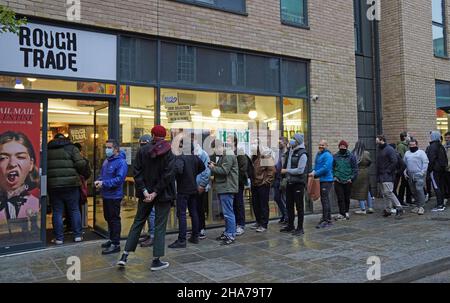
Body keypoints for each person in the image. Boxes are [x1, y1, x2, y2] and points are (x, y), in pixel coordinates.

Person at [118, 125, 176, 271]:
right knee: (159, 226)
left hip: (145, 194)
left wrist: (145, 191)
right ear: (165, 135)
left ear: (151, 135)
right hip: (162, 194)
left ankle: (124, 256)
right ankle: (156, 260)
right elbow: (168, 175)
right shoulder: (169, 152)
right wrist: (155, 192)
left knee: (138, 221)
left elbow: (137, 172)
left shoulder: (142, 151)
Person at [47, 133, 88, 244]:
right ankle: (77, 236)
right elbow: (81, 164)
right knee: (74, 209)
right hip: (71, 184)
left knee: (57, 211)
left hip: (54, 185)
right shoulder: (72, 148)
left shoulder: (48, 149)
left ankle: (59, 238)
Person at [168, 139, 205, 248]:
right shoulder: (195, 158)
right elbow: (202, 167)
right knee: (194, 212)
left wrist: (179, 176)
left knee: (182, 214)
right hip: (193, 188)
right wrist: (192, 174)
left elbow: (178, 170)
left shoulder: (180, 157)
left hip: (183, 189)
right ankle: (195, 236)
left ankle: (181, 240)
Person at [0, 132, 40, 231]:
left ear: (31, 164)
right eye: (3, 158)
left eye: (20, 157)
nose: (12, 163)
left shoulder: (37, 203)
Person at [95, 139, 128, 255]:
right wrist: (99, 181)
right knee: (108, 218)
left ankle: (116, 244)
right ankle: (111, 238)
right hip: (106, 195)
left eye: (109, 147)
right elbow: (102, 175)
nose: (107, 150)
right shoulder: (107, 161)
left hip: (114, 196)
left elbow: (119, 180)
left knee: (114, 219)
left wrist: (104, 183)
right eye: (106, 147)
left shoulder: (121, 163)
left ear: (116, 149)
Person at [209, 139, 239, 245]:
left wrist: (213, 168)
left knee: (228, 213)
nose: (215, 153)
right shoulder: (224, 155)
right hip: (224, 187)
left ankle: (231, 235)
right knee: (226, 213)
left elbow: (224, 171)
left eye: (215, 150)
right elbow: (223, 168)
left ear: (219, 147)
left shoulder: (228, 154)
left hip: (227, 187)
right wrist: (215, 166)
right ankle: (227, 232)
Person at [280, 133, 307, 235]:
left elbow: (300, 170)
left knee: (299, 206)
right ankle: (290, 226)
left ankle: (300, 228)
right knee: (289, 205)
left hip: (298, 183)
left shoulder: (302, 154)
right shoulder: (291, 151)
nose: (291, 140)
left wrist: (286, 170)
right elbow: (285, 160)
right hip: (289, 182)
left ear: (298, 141)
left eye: (293, 139)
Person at [376, 135, 404, 217]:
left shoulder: (389, 149)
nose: (376, 141)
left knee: (389, 192)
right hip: (381, 175)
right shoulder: (380, 149)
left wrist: (388, 171)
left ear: (381, 140)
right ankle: (388, 210)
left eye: (377, 140)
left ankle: (399, 207)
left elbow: (394, 161)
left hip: (387, 175)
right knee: (385, 193)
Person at [250, 144, 275, 233]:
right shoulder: (253, 157)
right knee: (256, 204)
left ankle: (264, 224)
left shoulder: (265, 156)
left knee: (263, 205)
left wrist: (266, 182)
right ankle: (258, 221)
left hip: (262, 184)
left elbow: (271, 170)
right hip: (255, 184)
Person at [309, 140, 334, 229]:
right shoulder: (319, 154)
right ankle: (327, 218)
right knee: (324, 200)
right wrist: (313, 171)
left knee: (325, 200)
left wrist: (315, 173)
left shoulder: (328, 155)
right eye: (319, 145)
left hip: (327, 180)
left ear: (326, 145)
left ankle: (327, 220)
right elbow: (317, 166)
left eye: (323, 145)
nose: (321, 146)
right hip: (321, 180)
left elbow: (326, 168)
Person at [137, 134, 156, 248]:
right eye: (142, 144)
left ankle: (153, 235)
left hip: (151, 190)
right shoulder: (142, 155)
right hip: (145, 189)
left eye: (145, 144)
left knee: (152, 213)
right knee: (147, 214)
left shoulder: (153, 156)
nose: (143, 147)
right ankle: (150, 234)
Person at [333, 140, 358, 221]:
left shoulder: (351, 156)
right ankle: (341, 213)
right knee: (340, 198)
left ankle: (346, 212)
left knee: (347, 197)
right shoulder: (335, 156)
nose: (342, 148)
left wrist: (351, 178)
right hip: (338, 180)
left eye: (344, 147)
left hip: (348, 180)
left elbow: (355, 169)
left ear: (346, 148)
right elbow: (332, 168)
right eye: (341, 147)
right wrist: (334, 176)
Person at [404, 138, 429, 216]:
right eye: (410, 145)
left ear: (416, 144)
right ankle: (417, 205)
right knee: (413, 190)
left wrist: (422, 172)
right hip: (410, 174)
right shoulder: (407, 153)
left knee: (419, 189)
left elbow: (425, 162)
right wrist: (405, 171)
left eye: (413, 144)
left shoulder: (421, 153)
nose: (412, 146)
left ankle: (421, 207)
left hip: (419, 174)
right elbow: (405, 163)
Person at [193, 137, 211, 240]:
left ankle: (202, 229)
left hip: (200, 186)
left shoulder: (203, 154)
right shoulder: (192, 154)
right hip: (192, 186)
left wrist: (202, 185)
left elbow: (206, 171)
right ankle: (196, 228)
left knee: (199, 208)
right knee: (193, 209)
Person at [231, 135, 248, 236]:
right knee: (233, 204)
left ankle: (241, 225)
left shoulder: (240, 153)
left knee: (239, 203)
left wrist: (235, 178)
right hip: (231, 183)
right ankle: (235, 223)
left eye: (229, 140)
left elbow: (243, 169)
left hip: (238, 182)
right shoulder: (229, 152)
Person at [426, 131, 448, 212]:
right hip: (442, 170)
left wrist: (429, 169)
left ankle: (440, 205)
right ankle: (441, 204)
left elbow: (431, 159)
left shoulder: (432, 146)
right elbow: (445, 158)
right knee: (441, 186)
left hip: (435, 170)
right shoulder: (441, 146)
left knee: (436, 187)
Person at [351, 141, 373, 215]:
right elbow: (370, 162)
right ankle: (370, 207)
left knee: (359, 191)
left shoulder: (354, 153)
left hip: (357, 173)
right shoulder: (367, 153)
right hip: (366, 173)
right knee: (367, 190)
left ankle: (363, 209)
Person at [274, 137, 289, 225]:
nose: (279, 144)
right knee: (277, 198)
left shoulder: (287, 153)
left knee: (284, 198)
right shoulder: (277, 153)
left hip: (284, 178)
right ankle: (284, 214)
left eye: (280, 142)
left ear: (285, 143)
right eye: (278, 142)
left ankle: (287, 217)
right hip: (277, 177)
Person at [395, 132, 412, 206]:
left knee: (408, 184)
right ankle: (401, 200)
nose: (410, 137)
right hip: (403, 168)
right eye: (408, 136)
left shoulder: (407, 145)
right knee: (403, 184)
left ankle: (409, 199)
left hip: (408, 167)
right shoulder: (401, 146)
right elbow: (401, 157)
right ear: (404, 137)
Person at [443, 132, 450, 204]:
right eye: (446, 138)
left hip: (448, 168)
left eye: (448, 138)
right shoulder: (444, 146)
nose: (447, 139)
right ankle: (446, 196)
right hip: (445, 169)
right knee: (446, 184)